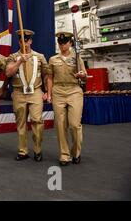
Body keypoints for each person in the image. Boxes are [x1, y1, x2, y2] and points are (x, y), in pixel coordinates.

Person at [5, 29, 49, 161]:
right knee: (21, 123)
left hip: (35, 92)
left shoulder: (39, 57)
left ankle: (37, 149)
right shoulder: (13, 57)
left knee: (37, 121)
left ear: (30, 41)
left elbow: (47, 75)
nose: (24, 43)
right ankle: (23, 150)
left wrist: (47, 91)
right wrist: (19, 61)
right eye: (21, 41)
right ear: (19, 42)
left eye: (27, 40)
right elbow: (8, 73)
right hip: (19, 93)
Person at [47, 32, 87, 166]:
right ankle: (64, 155)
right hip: (58, 91)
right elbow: (50, 77)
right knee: (60, 125)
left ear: (70, 43)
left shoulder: (77, 57)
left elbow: (84, 75)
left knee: (75, 125)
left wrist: (82, 75)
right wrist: (49, 93)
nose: (63, 45)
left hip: (74, 90)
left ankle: (76, 152)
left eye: (65, 43)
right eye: (60, 43)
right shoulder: (53, 59)